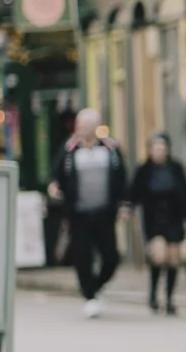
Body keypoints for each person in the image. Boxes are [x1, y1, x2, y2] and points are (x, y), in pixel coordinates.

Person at [48, 108, 128, 319]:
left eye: (86, 126)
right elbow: (56, 174)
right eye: (80, 126)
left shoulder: (110, 149)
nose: (82, 130)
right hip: (78, 214)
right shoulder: (69, 149)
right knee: (82, 256)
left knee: (111, 256)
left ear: (96, 127)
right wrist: (55, 187)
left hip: (104, 212)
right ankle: (90, 296)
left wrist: (123, 205)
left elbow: (121, 178)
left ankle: (97, 285)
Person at [128, 132, 186, 315]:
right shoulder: (144, 171)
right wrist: (128, 208)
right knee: (159, 256)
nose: (159, 152)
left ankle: (169, 298)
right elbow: (133, 194)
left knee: (174, 260)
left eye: (162, 149)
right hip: (153, 219)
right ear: (150, 151)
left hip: (174, 218)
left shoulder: (176, 169)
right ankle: (152, 294)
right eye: (156, 148)